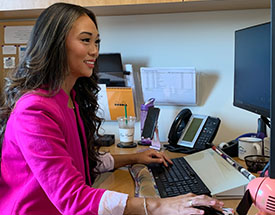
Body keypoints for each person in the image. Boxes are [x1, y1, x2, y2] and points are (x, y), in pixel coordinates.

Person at [0, 3, 224, 215]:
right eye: (85, 40)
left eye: (96, 42)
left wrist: (134, 158)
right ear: (55, 44)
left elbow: (82, 163)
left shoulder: (69, 98)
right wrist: (158, 206)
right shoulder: (35, 111)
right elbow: (73, 199)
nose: (94, 51)